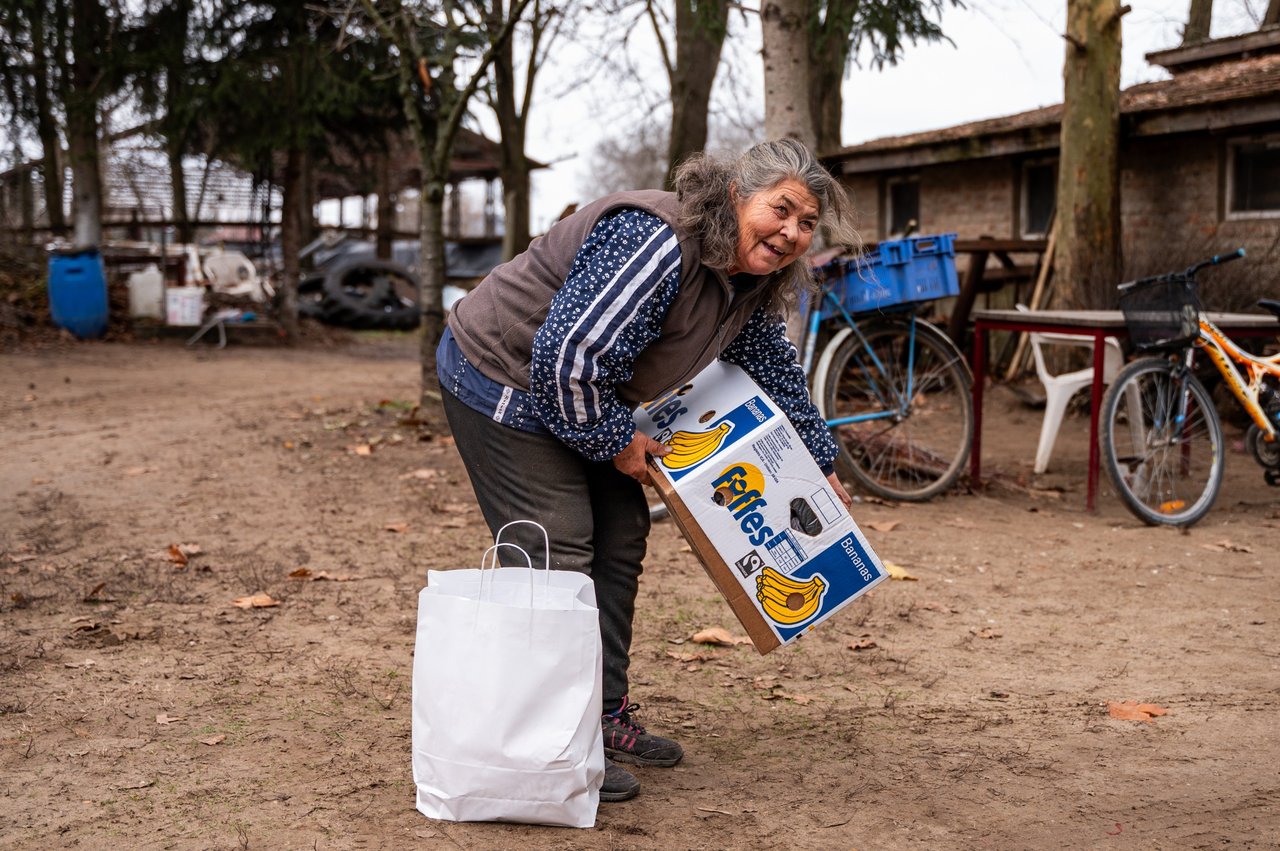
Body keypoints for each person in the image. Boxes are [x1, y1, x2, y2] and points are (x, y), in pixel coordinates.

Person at [437, 138, 857, 802]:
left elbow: (770, 368)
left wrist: (820, 461)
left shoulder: (744, 280)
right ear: (736, 195)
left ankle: (600, 715)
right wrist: (615, 441)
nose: (792, 233)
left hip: (577, 393)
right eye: (782, 210)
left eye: (808, 223)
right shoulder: (656, 242)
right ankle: (551, 743)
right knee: (558, 542)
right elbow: (563, 360)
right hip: (501, 376)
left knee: (623, 528)